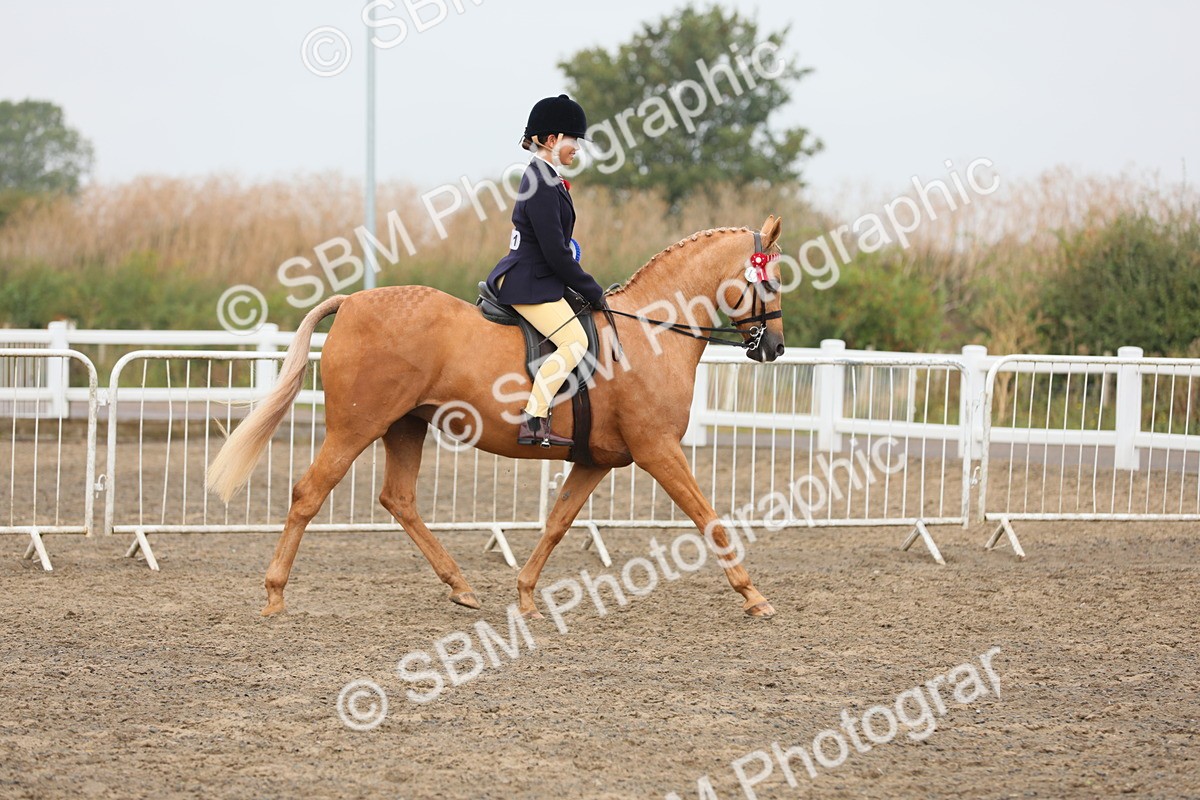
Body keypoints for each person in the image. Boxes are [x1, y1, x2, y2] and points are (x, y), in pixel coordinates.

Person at [485, 94, 607, 448]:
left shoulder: (547, 178)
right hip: (527, 281)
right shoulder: (540, 181)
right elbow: (554, 254)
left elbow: (556, 246)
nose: (577, 150)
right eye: (574, 141)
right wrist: (593, 290)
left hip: (537, 277)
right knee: (575, 341)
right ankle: (534, 418)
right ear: (552, 140)